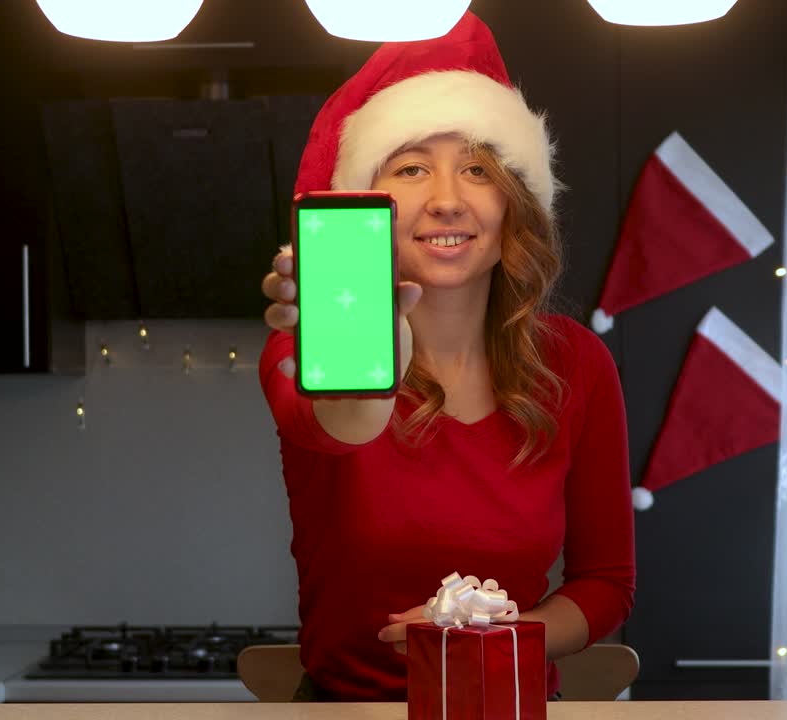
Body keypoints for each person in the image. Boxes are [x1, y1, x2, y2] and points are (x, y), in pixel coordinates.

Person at [258, 12, 634, 702]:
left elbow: (606, 584)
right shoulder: (304, 347)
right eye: (410, 168)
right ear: (367, 202)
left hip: (513, 706)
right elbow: (342, 425)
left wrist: (500, 634)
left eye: (476, 169)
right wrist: (384, 353)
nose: (446, 201)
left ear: (514, 201)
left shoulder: (577, 365)